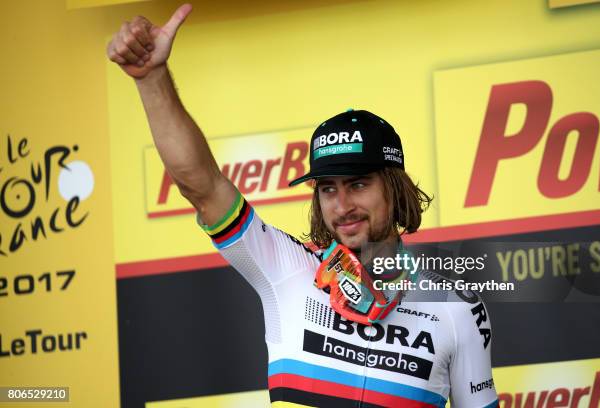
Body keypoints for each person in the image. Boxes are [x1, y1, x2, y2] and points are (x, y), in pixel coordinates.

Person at [107, 4, 499, 407]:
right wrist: (152, 79)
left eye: (358, 184)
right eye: (327, 189)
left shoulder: (456, 310)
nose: (342, 204)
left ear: (395, 188)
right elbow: (202, 186)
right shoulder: (287, 267)